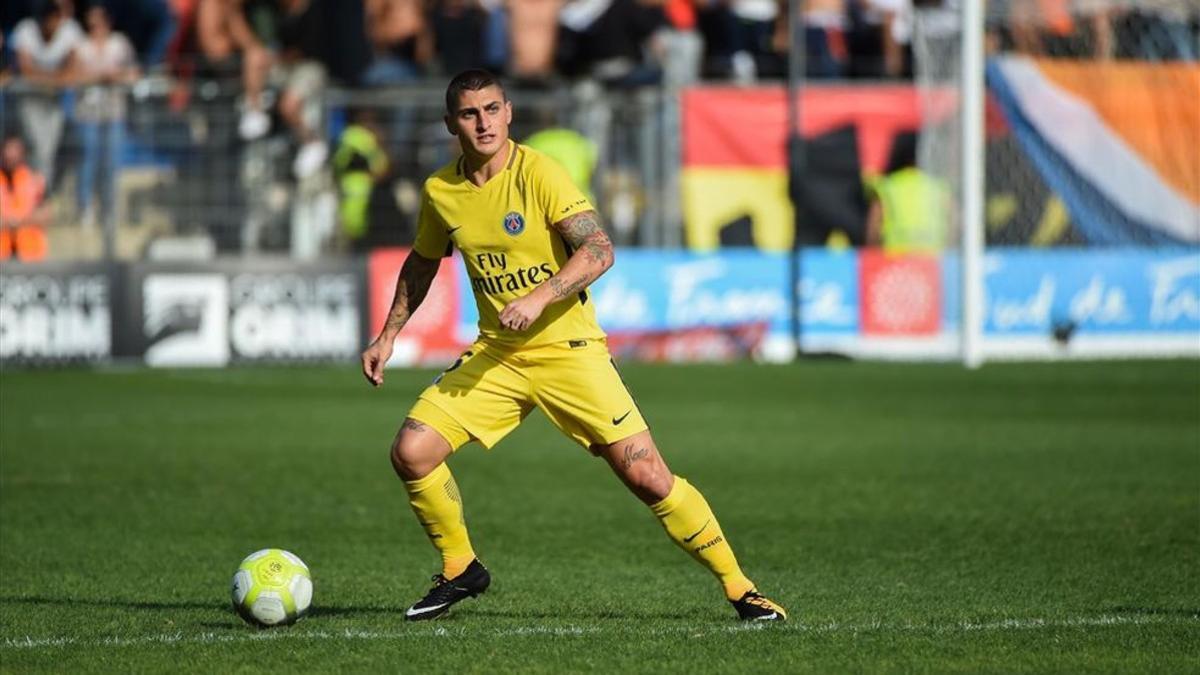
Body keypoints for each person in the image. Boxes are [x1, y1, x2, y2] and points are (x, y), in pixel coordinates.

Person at [360, 69, 787, 622]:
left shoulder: (539, 172)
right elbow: (421, 264)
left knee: (647, 475)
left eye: (492, 109)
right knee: (412, 452)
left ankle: (740, 588)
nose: (483, 122)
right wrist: (389, 334)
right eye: (470, 113)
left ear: (509, 112)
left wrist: (539, 299)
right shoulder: (441, 192)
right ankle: (460, 566)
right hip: (499, 355)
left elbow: (599, 248)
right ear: (451, 124)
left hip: (570, 350)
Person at [72, 3, 140, 229]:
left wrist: (115, 75)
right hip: (87, 114)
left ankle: (108, 211)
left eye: (99, 21)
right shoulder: (81, 45)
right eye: (91, 22)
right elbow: (74, 75)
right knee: (88, 162)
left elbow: (133, 73)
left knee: (111, 164)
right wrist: (99, 76)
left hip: (113, 112)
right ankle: (85, 210)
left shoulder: (119, 43)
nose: (95, 26)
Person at [11, 0, 84, 187]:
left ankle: (42, 191)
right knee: (36, 146)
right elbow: (25, 70)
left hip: (54, 101)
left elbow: (73, 69)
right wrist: (55, 79)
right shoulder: (26, 30)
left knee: (48, 149)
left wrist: (47, 78)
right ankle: (34, 191)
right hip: (29, 99)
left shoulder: (70, 30)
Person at [0, 135, 52, 261]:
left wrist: (16, 221)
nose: (10, 156)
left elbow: (47, 214)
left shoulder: (34, 179)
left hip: (30, 255)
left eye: (15, 151)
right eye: (8, 150)